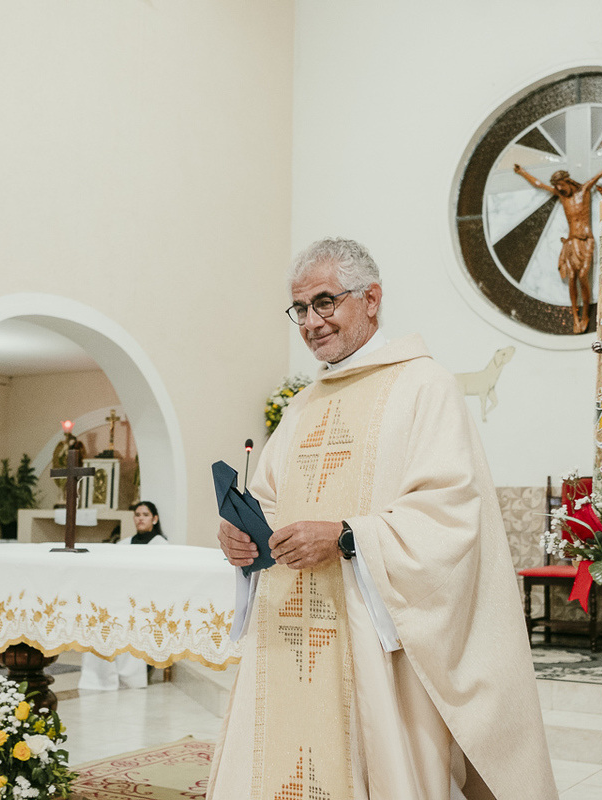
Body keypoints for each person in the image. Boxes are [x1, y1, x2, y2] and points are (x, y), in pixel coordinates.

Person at [209, 238, 553, 799]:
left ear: (371, 298)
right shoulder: (303, 405)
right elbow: (270, 497)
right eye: (300, 309)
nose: (310, 322)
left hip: (372, 636)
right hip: (294, 629)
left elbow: (449, 512)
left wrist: (347, 535)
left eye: (325, 302)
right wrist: (241, 534)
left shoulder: (425, 386)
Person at [513, 135, 602, 334]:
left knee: (583, 276)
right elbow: (538, 184)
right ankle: (575, 316)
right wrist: (522, 172)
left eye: (561, 185)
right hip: (572, 242)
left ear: (567, 181)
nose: (559, 188)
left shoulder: (584, 190)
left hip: (586, 241)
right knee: (572, 279)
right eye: (557, 186)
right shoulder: (562, 197)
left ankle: (586, 314)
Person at [80, 501, 168, 691]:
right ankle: (101, 676)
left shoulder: (162, 546)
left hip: (148, 601)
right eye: (137, 514)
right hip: (123, 597)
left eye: (145, 514)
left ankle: (131, 676)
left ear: (155, 518)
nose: (140, 518)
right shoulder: (124, 543)